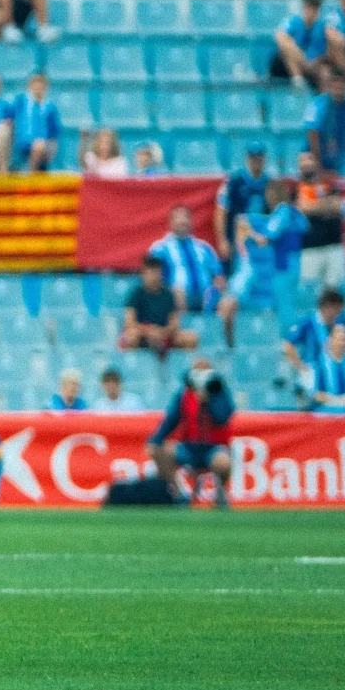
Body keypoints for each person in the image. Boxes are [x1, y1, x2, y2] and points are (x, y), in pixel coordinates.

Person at [150, 360, 237, 506]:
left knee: (223, 463)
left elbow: (222, 418)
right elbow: (171, 419)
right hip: (189, 446)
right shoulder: (184, 394)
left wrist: (209, 399)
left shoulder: (220, 392)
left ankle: (220, 494)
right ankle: (178, 494)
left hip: (213, 447)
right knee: (158, 451)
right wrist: (156, 440)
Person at [150, 203, 237, 347]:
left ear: (191, 222)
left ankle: (226, 346)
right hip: (176, 298)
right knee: (178, 294)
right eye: (178, 218)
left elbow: (218, 277)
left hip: (206, 297)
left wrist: (216, 288)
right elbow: (153, 278)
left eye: (185, 218)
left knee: (230, 303)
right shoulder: (160, 248)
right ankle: (184, 339)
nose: (182, 222)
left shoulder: (204, 248)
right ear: (170, 222)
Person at [120, 257, 194, 360]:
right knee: (131, 337)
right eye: (149, 272)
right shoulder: (136, 294)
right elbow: (129, 322)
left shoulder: (168, 294)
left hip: (164, 334)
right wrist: (149, 330)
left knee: (191, 338)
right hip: (143, 334)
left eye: (156, 272)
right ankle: (133, 367)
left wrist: (162, 332)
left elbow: (174, 322)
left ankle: (182, 368)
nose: (153, 276)